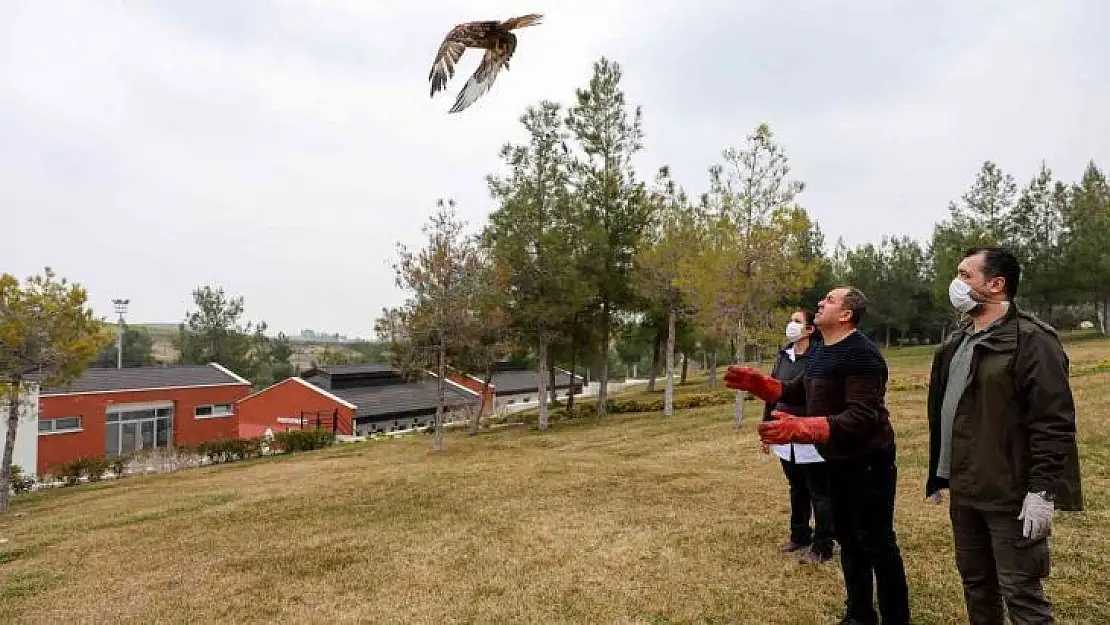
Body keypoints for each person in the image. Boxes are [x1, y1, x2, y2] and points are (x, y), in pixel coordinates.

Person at [725, 286, 910, 625]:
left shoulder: (863, 354)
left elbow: (862, 416)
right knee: (849, 541)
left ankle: (896, 619)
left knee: (878, 544)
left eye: (830, 300)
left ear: (845, 315)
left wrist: (804, 428)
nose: (821, 303)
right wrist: (760, 385)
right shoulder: (822, 351)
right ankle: (859, 615)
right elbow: (798, 390)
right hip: (836, 460)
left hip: (869, 462)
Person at [925, 246, 1084, 625]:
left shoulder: (1032, 340)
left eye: (966, 275)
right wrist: (940, 474)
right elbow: (946, 414)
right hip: (966, 491)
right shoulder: (955, 344)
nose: (956, 283)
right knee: (977, 585)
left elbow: (1053, 421)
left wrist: (1042, 490)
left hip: (1010, 493)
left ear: (996, 285)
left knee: (1021, 594)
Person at [763, 309, 835, 565]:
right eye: (790, 321)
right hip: (784, 436)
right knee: (797, 488)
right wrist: (767, 428)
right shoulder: (782, 357)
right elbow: (772, 393)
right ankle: (800, 534)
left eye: (797, 321)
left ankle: (823, 544)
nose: (791, 326)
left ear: (809, 329)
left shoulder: (820, 357)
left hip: (810, 433)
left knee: (820, 492)